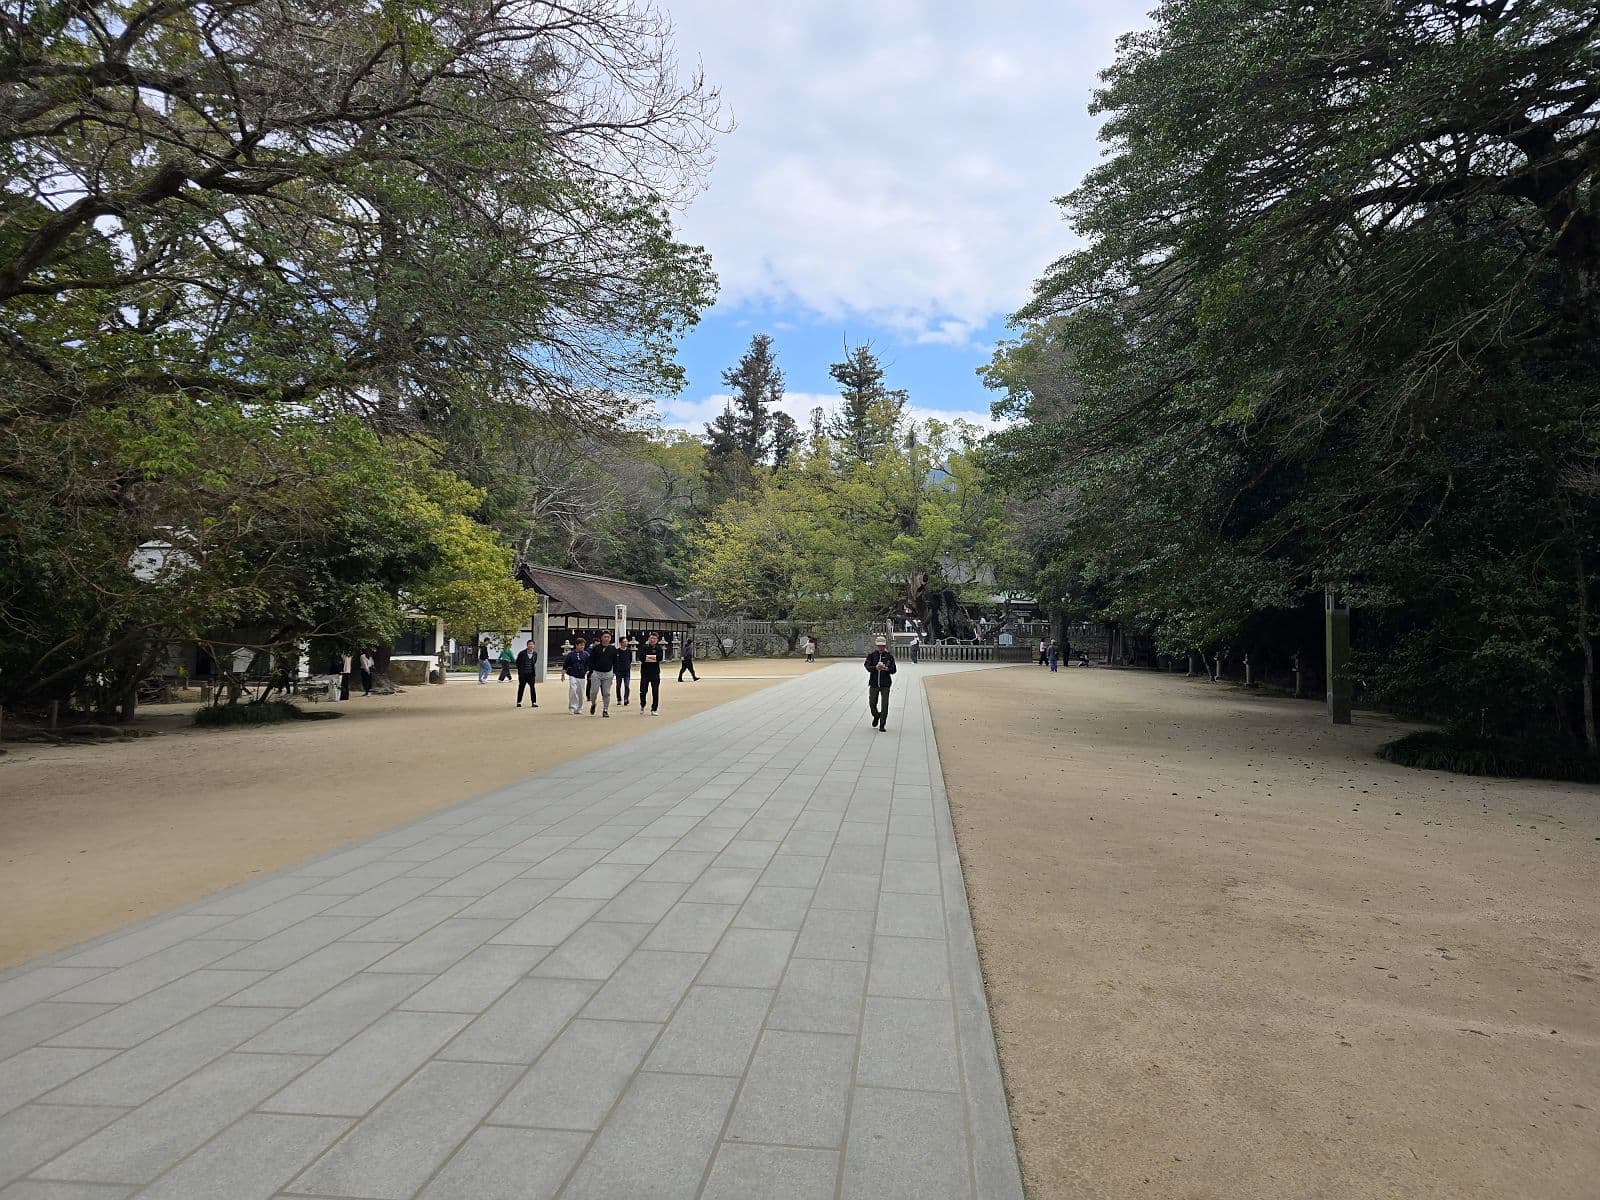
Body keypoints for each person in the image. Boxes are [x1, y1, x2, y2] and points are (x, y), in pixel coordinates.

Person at [865, 635, 897, 731]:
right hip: (874, 683)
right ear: (876, 646)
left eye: (882, 646)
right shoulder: (871, 655)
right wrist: (875, 668)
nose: (880, 648)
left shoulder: (889, 656)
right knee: (872, 703)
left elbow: (893, 670)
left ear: (885, 646)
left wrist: (886, 669)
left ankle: (882, 725)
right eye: (879, 646)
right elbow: (867, 666)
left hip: (885, 684)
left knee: (885, 704)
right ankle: (876, 715)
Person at [587, 630, 618, 717]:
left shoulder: (613, 649)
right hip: (596, 673)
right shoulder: (596, 648)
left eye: (608, 637)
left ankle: (605, 710)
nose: (607, 639)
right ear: (601, 638)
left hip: (608, 673)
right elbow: (591, 660)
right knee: (594, 691)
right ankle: (593, 703)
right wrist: (590, 671)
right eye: (605, 637)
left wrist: (614, 672)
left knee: (606, 693)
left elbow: (615, 662)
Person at [637, 631, 664, 715]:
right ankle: (642, 704)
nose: (652, 640)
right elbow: (641, 657)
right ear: (649, 638)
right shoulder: (644, 647)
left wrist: (648, 658)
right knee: (643, 690)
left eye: (654, 638)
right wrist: (653, 658)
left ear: (657, 640)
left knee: (655, 691)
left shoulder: (659, 648)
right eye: (651, 638)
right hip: (645, 672)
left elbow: (660, 658)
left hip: (655, 672)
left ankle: (654, 709)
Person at [562, 637, 590, 715]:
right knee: (573, 690)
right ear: (576, 645)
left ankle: (579, 708)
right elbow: (565, 665)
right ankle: (572, 707)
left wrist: (588, 671)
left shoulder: (586, 654)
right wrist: (563, 674)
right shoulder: (570, 654)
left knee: (581, 693)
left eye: (583, 645)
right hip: (572, 674)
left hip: (582, 675)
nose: (582, 647)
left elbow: (588, 664)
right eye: (580, 645)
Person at [515, 640, 539, 708]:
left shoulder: (535, 654)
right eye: (529, 644)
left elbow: (534, 662)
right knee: (521, 687)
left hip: (531, 674)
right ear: (527, 645)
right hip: (523, 674)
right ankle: (519, 702)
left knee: (532, 688)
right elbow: (517, 663)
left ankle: (534, 702)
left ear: (534, 646)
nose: (530, 646)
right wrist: (521, 671)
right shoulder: (522, 653)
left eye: (532, 644)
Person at [614, 636, 633, 706]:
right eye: (624, 642)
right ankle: (619, 699)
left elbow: (630, 660)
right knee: (618, 685)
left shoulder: (629, 651)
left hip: (626, 671)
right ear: (620, 643)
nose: (625, 643)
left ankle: (626, 699)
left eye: (626, 641)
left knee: (627, 685)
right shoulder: (617, 651)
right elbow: (615, 661)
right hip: (619, 671)